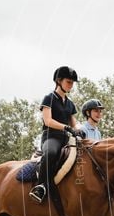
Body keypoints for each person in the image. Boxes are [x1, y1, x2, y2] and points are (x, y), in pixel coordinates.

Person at [29, 66, 86, 204]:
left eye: (72, 83)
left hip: (66, 138)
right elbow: (47, 121)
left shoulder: (70, 104)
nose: (71, 85)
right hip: (51, 136)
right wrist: (66, 127)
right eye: (68, 82)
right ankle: (40, 187)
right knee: (51, 153)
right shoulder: (49, 98)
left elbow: (74, 123)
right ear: (59, 81)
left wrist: (80, 129)